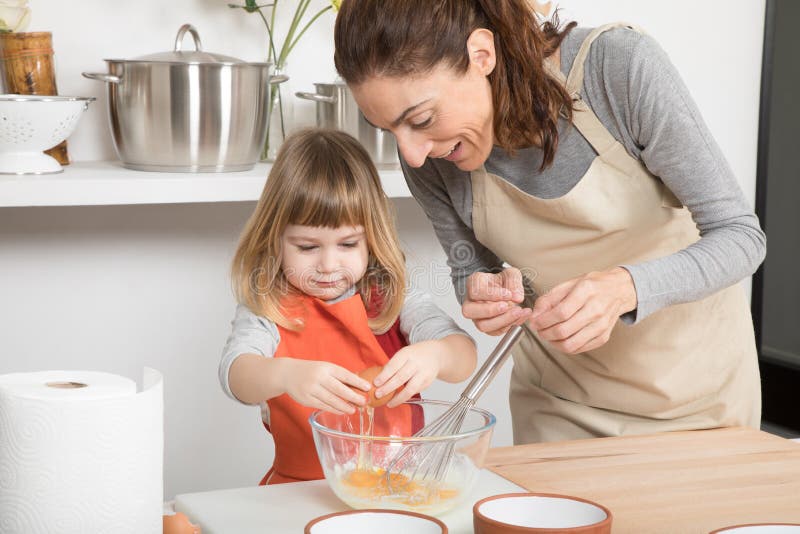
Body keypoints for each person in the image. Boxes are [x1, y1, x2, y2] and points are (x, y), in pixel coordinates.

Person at [333, 1, 766, 444]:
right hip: (558, 408)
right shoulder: (431, 157)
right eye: (388, 130)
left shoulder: (615, 69)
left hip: (698, 404)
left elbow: (740, 236)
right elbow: (469, 267)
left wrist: (625, 288)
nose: (411, 153)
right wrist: (479, 289)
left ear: (481, 55)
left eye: (421, 119)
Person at [219, 128, 477, 484]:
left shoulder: (391, 296)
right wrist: (285, 374)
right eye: (307, 247)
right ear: (274, 240)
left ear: (371, 238)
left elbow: (463, 356)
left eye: (348, 244)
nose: (328, 265)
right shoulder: (268, 305)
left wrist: (435, 355)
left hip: (398, 487)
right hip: (299, 493)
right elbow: (236, 375)